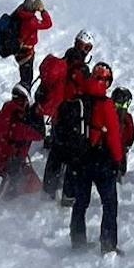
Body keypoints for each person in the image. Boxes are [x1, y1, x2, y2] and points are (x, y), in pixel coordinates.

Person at [61, 61, 125, 253]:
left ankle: (77, 240)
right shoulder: (106, 104)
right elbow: (113, 136)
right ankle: (108, 244)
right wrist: (118, 159)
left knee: (81, 203)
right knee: (109, 204)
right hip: (102, 160)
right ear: (106, 81)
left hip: (80, 160)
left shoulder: (78, 99)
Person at [39, 35, 94, 196]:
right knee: (74, 155)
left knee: (56, 151)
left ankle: (48, 189)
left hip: (58, 115)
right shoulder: (81, 69)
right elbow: (85, 92)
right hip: (73, 117)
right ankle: (68, 194)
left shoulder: (65, 59)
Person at [0, 86, 46, 195]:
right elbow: (40, 135)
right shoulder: (18, 127)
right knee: (34, 186)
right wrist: (37, 114)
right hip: (8, 167)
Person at [9, 0, 53, 90]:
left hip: (19, 49)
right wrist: (43, 11)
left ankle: (21, 96)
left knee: (24, 75)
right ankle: (22, 98)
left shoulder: (20, 12)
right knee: (27, 79)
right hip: (26, 51)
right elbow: (48, 24)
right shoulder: (31, 21)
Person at [111, 86, 134, 174]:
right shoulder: (127, 118)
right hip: (120, 154)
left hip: (105, 154)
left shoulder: (108, 113)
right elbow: (130, 136)